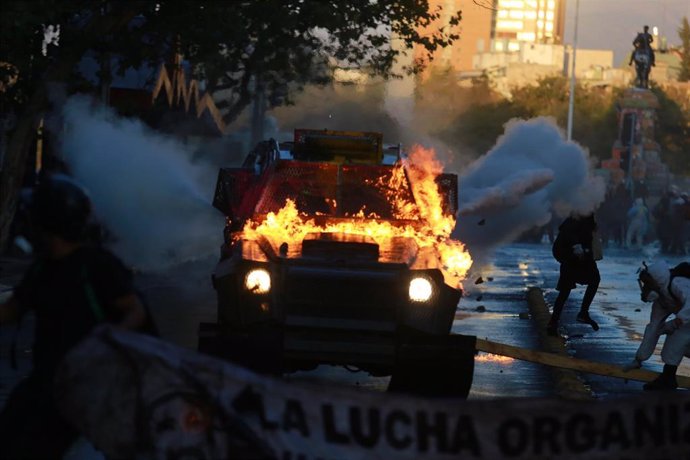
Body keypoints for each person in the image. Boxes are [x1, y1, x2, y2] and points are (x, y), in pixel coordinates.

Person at [0, 173, 148, 459]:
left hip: (88, 385)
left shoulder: (97, 266)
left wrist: (104, 342)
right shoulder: (44, 268)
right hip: (48, 381)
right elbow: (11, 310)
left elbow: (134, 309)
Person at [624, 261, 690, 390]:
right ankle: (668, 378)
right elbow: (653, 328)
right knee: (681, 345)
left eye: (648, 283)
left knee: (677, 338)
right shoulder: (662, 299)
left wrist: (677, 322)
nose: (645, 288)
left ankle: (668, 379)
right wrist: (639, 359)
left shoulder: (677, 283)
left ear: (657, 280)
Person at [548, 212, 601, 336]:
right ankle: (579, 314)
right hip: (572, 258)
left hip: (579, 258)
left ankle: (556, 321)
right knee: (566, 290)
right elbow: (568, 234)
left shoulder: (584, 216)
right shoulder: (576, 220)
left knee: (591, 281)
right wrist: (577, 246)